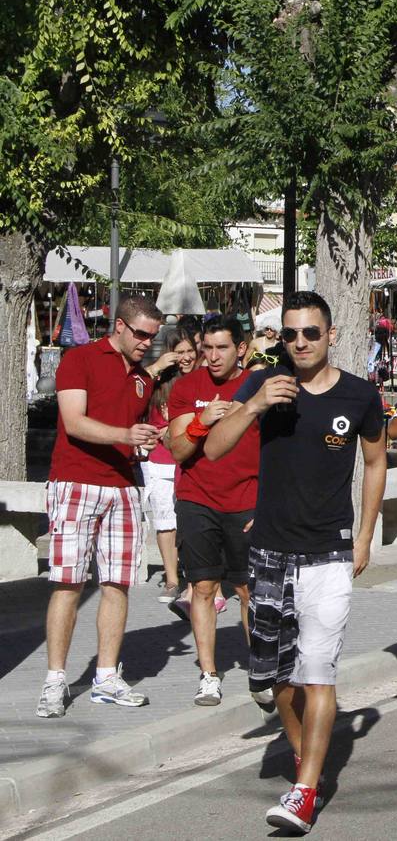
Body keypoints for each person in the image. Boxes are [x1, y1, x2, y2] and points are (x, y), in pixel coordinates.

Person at [205, 291, 387, 834]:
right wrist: (256, 404)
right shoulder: (263, 385)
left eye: (311, 333)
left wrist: (365, 536)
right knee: (271, 679)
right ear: (280, 338)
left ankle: (305, 790)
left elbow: (376, 462)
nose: (300, 343)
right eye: (290, 334)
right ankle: (306, 754)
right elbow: (213, 449)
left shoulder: (359, 396)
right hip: (267, 553)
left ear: (331, 336)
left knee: (316, 671)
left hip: (329, 553)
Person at [36, 295, 164, 718]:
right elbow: (74, 421)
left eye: (153, 335)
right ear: (120, 327)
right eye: (142, 333)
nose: (147, 342)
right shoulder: (81, 358)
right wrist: (126, 436)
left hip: (124, 487)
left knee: (117, 584)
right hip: (75, 482)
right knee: (68, 583)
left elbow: (133, 430)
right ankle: (55, 680)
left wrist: (145, 439)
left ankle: (106, 677)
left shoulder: (143, 378)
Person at [166, 317, 260, 707]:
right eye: (208, 347)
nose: (213, 356)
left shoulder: (256, 385)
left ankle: (261, 668)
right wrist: (201, 423)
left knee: (247, 590)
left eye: (222, 347)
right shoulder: (187, 387)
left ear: (241, 349)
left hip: (247, 501)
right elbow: (178, 451)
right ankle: (209, 674)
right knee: (202, 588)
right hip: (197, 498)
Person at [144, 327, 201, 605]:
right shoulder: (158, 381)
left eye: (190, 350)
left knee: (190, 521)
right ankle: (171, 579)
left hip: (192, 461)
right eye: (180, 352)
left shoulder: (203, 380)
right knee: (165, 521)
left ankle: (194, 579)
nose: (187, 357)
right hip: (161, 462)